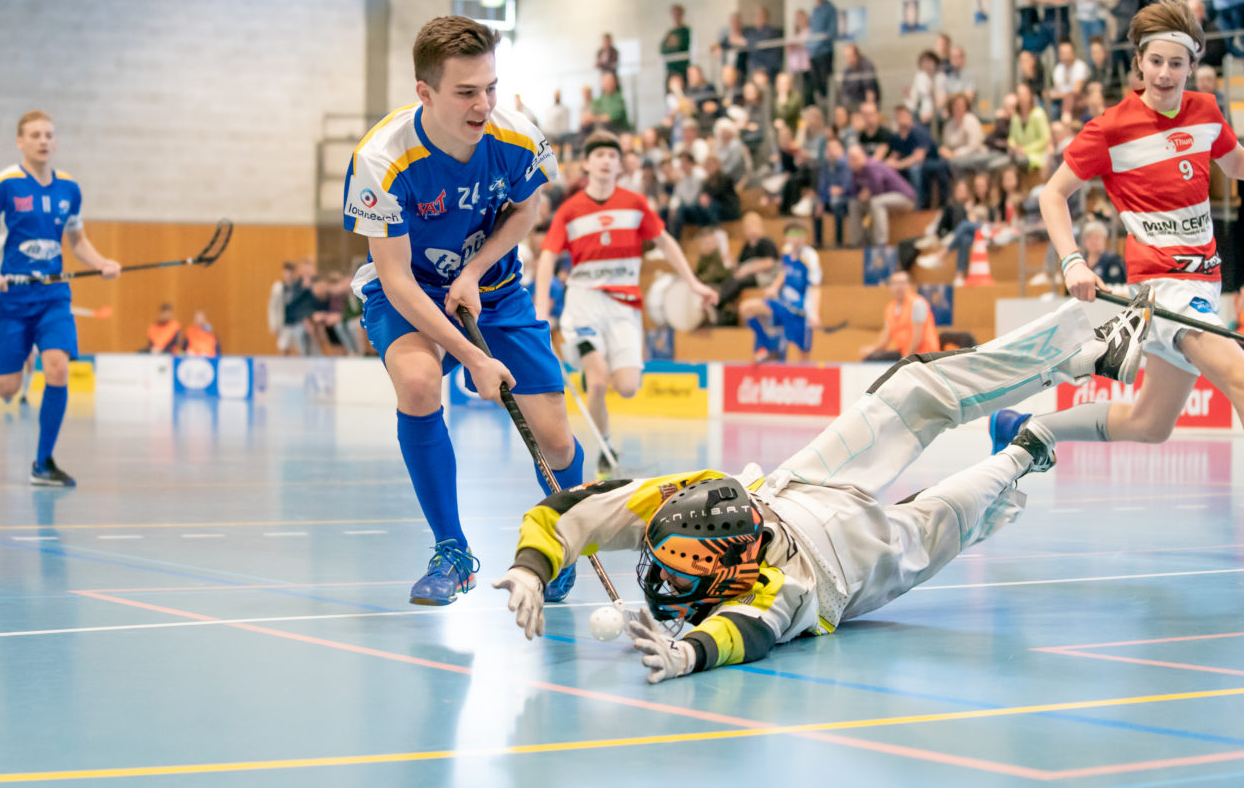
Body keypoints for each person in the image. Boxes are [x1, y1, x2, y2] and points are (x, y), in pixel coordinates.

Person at [493, 294, 1158, 681]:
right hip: (851, 564)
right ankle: (1028, 447)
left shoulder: (745, 548)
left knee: (913, 386)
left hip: (804, 502)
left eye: (675, 567)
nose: (659, 573)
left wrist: (686, 652)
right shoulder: (718, 528)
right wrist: (530, 567)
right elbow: (576, 512)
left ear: (727, 567)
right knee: (955, 509)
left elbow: (739, 630)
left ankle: (1080, 351)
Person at [342, 16, 584, 606]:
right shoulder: (381, 159)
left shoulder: (516, 138)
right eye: (466, 92)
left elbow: (525, 212)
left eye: (491, 87)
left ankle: (561, 542)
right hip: (411, 293)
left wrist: (474, 271)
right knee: (419, 382)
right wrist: (473, 357)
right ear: (424, 92)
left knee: (555, 442)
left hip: (495, 291)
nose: (484, 105)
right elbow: (395, 278)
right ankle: (452, 551)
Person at [991, 0, 1244, 456]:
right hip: (1164, 289)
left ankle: (1024, 427)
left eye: (1176, 63)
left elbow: (1237, 165)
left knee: (1150, 424)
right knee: (1240, 377)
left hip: (1206, 284)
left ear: (1192, 66)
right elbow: (1052, 194)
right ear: (1139, 62)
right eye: (1155, 61)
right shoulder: (1112, 129)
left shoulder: (1206, 112)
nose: (1164, 73)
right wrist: (1072, 262)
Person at [534, 131, 715, 477]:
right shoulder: (570, 210)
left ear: (620, 165)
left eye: (612, 156)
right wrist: (542, 306)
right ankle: (605, 447)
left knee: (629, 387)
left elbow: (666, 242)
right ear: (587, 164)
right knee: (598, 381)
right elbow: (547, 257)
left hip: (624, 306)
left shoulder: (634, 204)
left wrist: (693, 284)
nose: (606, 161)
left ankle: (598, 374)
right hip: (584, 303)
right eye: (599, 155)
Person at [0, 110, 121, 487]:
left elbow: (77, 241)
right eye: (34, 135)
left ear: (56, 141)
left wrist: (102, 263)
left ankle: (43, 463)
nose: (43, 141)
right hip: (9, 299)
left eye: (49, 134)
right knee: (7, 390)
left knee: (57, 368)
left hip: (53, 297)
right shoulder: (5, 184)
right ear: (20, 142)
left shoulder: (69, 189)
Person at [739, 222, 821, 362]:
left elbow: (815, 286)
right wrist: (774, 287)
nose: (796, 240)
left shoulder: (810, 257)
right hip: (783, 304)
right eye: (792, 235)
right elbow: (785, 271)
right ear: (786, 237)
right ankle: (768, 347)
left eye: (800, 236)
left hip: (801, 312)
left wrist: (815, 313)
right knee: (746, 308)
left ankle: (776, 352)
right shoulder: (786, 251)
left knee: (804, 357)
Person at [859, 270, 941, 361]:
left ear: (909, 285)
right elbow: (887, 335)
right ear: (890, 287)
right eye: (895, 283)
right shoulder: (890, 308)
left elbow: (917, 337)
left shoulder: (917, 303)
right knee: (870, 358)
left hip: (923, 355)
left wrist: (906, 359)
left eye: (902, 283)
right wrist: (872, 349)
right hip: (903, 352)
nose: (899, 287)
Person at [847, 144, 916, 247]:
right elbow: (855, 192)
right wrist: (862, 195)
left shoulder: (872, 166)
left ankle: (880, 243)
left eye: (855, 158)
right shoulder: (856, 171)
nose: (852, 161)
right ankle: (857, 242)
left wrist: (869, 192)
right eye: (850, 159)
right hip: (882, 198)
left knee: (876, 202)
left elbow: (878, 189)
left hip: (905, 197)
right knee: (854, 204)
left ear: (862, 156)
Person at [660, 4, 691, 86]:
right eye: (673, 14)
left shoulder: (685, 31)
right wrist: (674, 44)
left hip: (682, 68)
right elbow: (662, 49)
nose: (675, 16)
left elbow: (681, 47)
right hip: (671, 68)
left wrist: (670, 44)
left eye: (677, 13)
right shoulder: (670, 32)